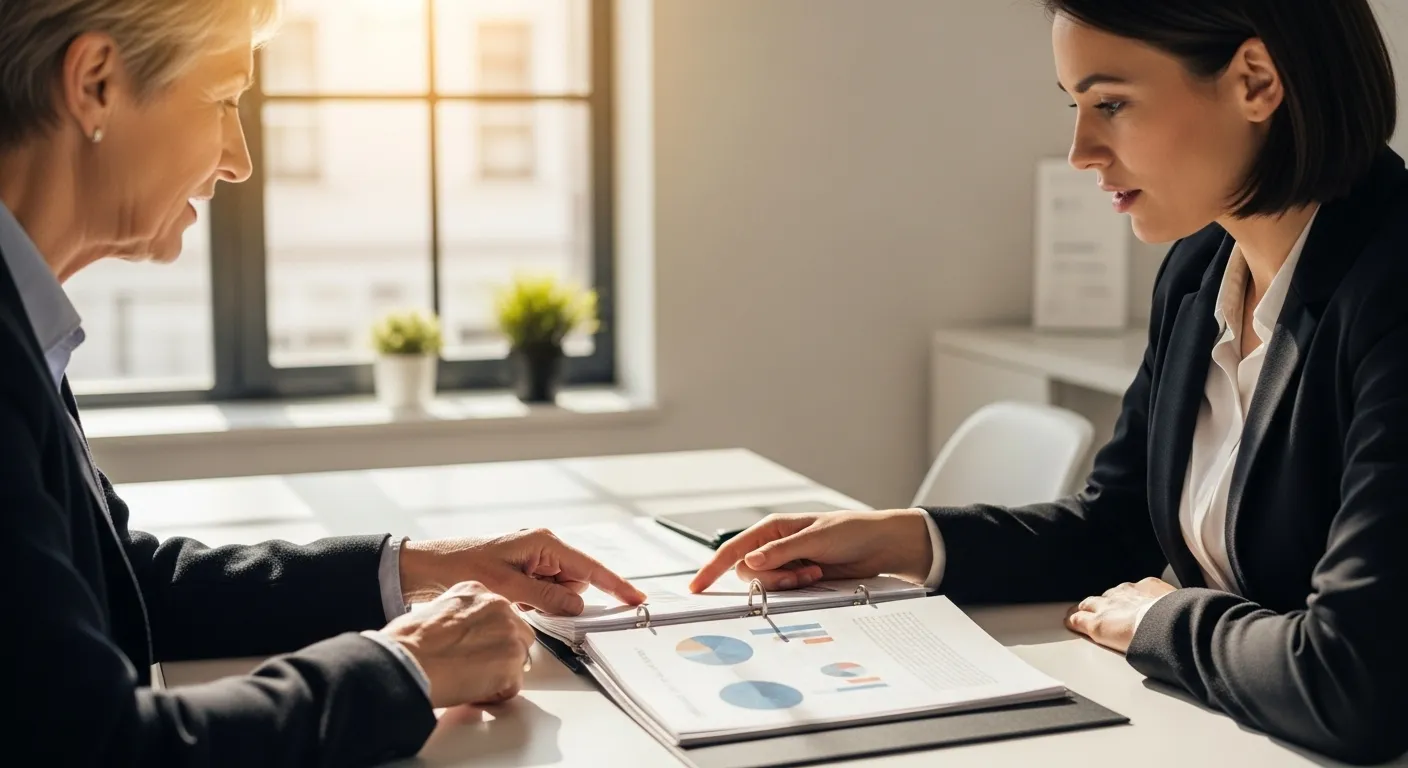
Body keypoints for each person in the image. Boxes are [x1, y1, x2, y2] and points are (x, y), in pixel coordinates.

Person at [692, 1, 1408, 763]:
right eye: (1075, 106)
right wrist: (900, 538)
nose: (1080, 150)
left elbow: (1358, 682)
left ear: (1256, 82)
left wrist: (1164, 622)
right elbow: (1115, 528)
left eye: (1110, 104)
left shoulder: (1391, 292)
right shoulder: (1202, 270)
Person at [0, 1, 646, 765]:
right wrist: (402, 665)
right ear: (96, 83)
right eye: (221, 100)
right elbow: (93, 748)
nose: (238, 159)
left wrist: (420, 567)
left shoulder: (23, 320)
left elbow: (127, 586)